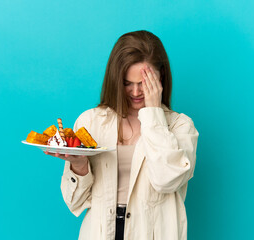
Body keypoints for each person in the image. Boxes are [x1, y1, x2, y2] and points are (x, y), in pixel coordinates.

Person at [45, 30, 199, 240]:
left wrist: (153, 114)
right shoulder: (91, 122)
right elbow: (76, 203)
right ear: (116, 79)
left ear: (160, 77)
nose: (136, 92)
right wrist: (79, 166)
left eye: (144, 83)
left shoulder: (181, 126)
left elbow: (166, 181)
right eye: (127, 83)